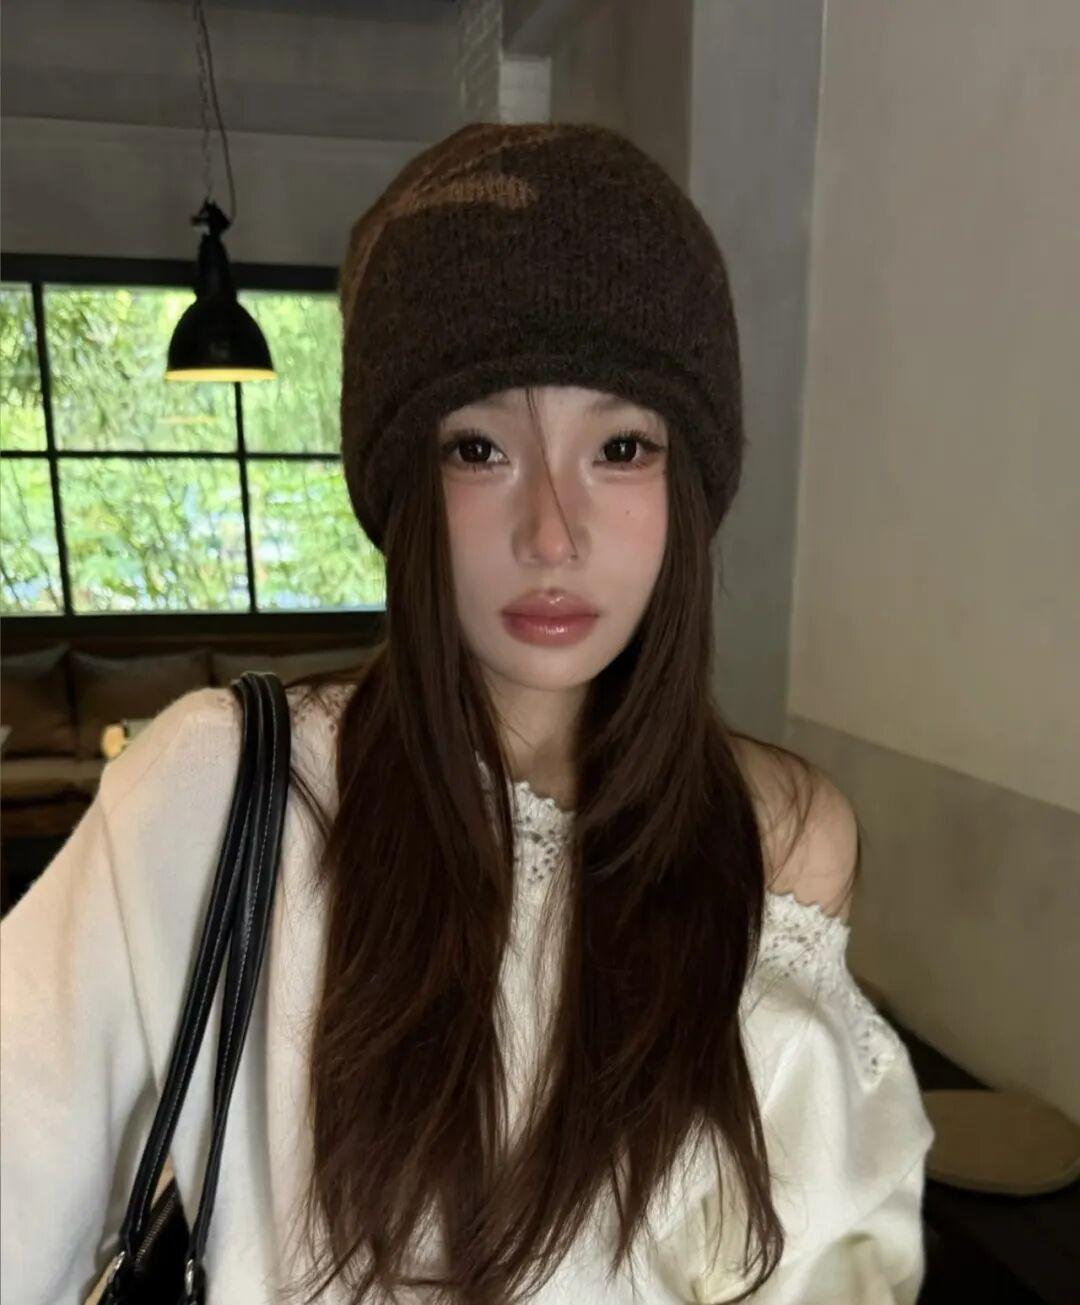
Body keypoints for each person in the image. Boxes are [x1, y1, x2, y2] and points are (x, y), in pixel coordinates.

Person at [0, 122, 934, 1304]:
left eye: (621, 446)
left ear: (690, 482)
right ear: (402, 481)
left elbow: (821, 1259)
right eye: (480, 447)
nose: (552, 534)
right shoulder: (224, 789)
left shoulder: (781, 833)